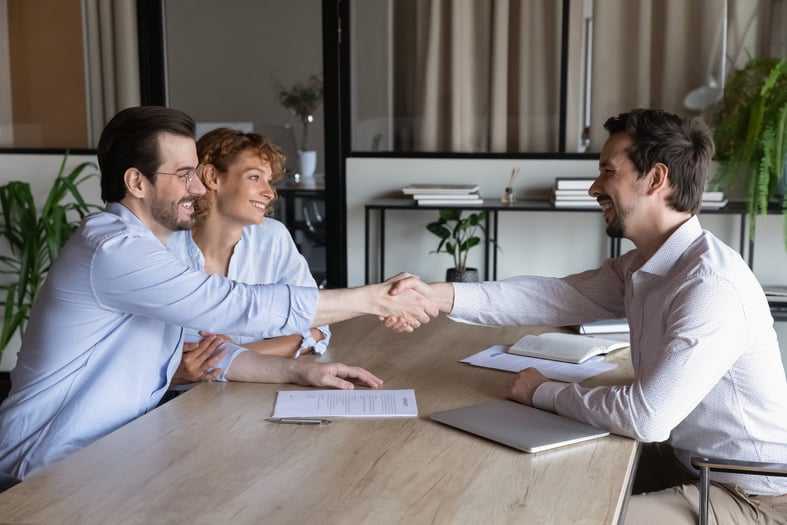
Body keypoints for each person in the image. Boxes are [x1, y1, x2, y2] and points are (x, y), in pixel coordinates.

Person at [392, 109, 787, 524]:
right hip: (689, 464)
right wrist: (435, 296)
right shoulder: (645, 265)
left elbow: (646, 417)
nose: (594, 188)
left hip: (753, 495)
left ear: (655, 178)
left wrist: (542, 391)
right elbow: (551, 297)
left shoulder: (709, 285)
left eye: (607, 172)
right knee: (526, 486)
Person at [0, 106, 435, 479]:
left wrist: (298, 373)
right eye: (185, 174)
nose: (197, 187)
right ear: (136, 182)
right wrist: (371, 299)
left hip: (114, 455)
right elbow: (232, 306)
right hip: (47, 466)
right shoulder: (114, 249)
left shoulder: (157, 247)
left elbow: (203, 347)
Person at [167, 128, 329, 384]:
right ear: (212, 177)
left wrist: (237, 357)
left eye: (270, 182)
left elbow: (318, 328)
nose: (270, 192)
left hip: (253, 390)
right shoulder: (163, 250)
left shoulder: (274, 238)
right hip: (175, 404)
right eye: (255, 177)